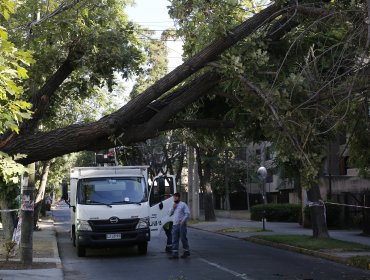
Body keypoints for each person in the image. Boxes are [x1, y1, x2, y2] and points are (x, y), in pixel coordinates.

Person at [168, 192, 190, 259]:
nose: (175, 198)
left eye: (176, 197)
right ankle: (175, 254)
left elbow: (187, 213)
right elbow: (169, 214)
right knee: (174, 239)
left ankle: (186, 251)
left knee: (183, 238)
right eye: (174, 197)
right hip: (175, 224)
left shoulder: (183, 204)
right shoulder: (173, 205)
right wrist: (173, 208)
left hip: (181, 225)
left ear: (179, 197)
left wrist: (183, 221)